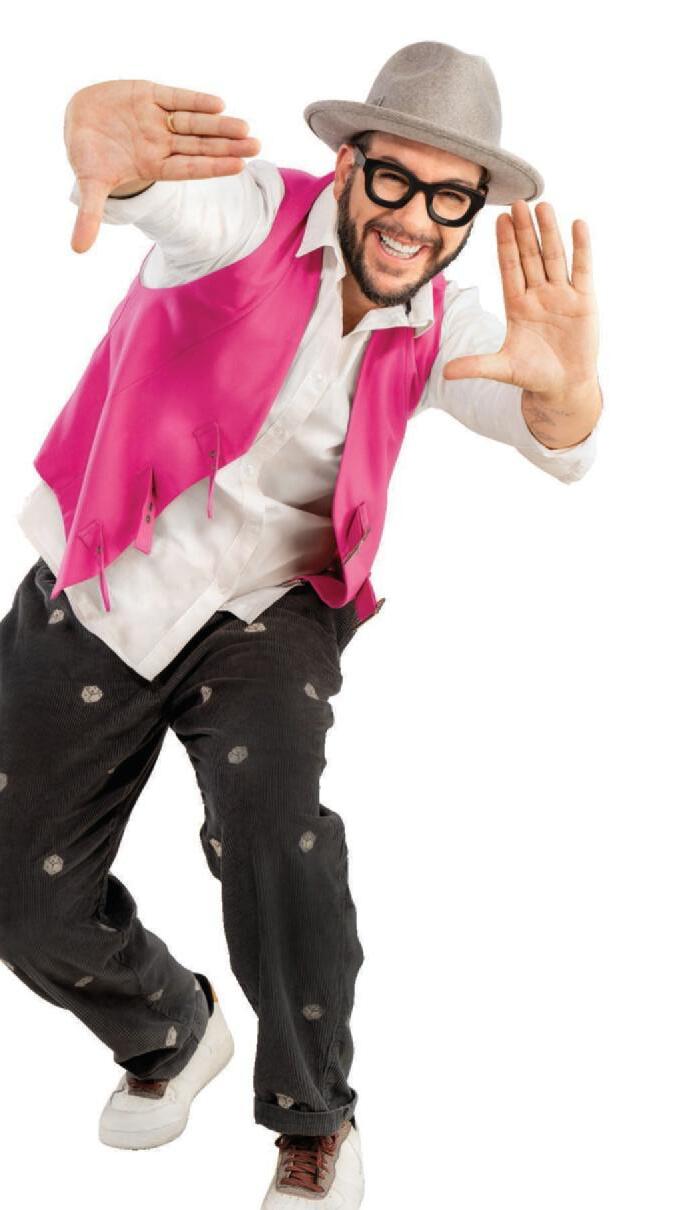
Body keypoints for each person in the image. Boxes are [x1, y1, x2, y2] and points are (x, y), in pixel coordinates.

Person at [0, 41, 602, 1208]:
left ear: (471, 211)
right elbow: (167, 202)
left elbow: (551, 432)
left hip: (276, 608)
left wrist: (568, 395)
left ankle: (314, 1117)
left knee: (276, 829)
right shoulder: (245, 217)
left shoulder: (449, 321)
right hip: (106, 568)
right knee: (19, 891)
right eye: (394, 179)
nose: (413, 219)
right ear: (347, 163)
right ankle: (170, 1028)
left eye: (449, 197)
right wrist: (116, 159)